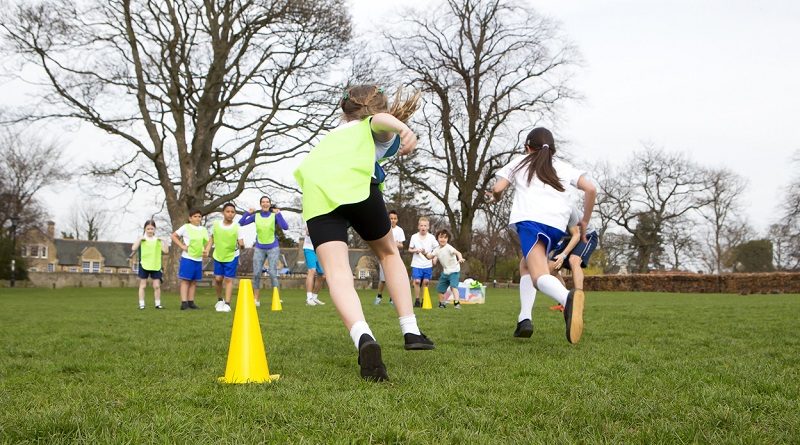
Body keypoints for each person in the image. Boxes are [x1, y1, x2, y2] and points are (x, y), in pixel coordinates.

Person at [294, 84, 435, 382]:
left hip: (317, 195)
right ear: (378, 108)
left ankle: (363, 337)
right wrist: (402, 127)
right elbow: (378, 123)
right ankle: (410, 330)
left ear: (344, 109)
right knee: (388, 252)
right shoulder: (369, 127)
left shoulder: (331, 136)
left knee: (337, 272)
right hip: (358, 189)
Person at [487, 127, 596, 344]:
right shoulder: (564, 167)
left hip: (531, 223)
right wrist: (584, 219)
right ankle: (524, 319)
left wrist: (495, 197)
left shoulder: (520, 162)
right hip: (556, 227)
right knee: (525, 264)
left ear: (528, 147)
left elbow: (498, 188)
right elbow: (591, 189)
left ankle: (568, 300)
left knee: (538, 277)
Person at [239, 196, 289, 307]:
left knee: (272, 272)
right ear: (260, 204)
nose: (265, 204)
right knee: (256, 273)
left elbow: (285, 227)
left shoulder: (274, 216)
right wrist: (248, 213)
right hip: (259, 248)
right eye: (263, 202)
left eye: (267, 202)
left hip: (273, 248)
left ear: (270, 204)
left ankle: (277, 297)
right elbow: (241, 223)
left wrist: (278, 214)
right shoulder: (256, 216)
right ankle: (256, 299)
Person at [550, 205, 599, 305]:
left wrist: (563, 255)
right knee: (550, 268)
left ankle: (578, 300)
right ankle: (564, 300)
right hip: (568, 238)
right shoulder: (546, 215)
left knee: (574, 260)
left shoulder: (568, 209)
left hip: (586, 235)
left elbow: (576, 236)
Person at [204, 203, 245, 313]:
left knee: (228, 279)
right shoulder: (216, 224)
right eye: (228, 211)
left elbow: (241, 241)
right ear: (223, 212)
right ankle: (220, 300)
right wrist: (207, 250)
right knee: (218, 279)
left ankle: (227, 304)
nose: (230, 214)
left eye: (232, 212)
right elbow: (211, 239)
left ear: (235, 214)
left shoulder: (237, 227)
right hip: (218, 255)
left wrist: (241, 245)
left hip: (232, 256)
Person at [170, 209, 209, 310]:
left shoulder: (203, 229)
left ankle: (191, 302)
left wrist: (206, 251)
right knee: (186, 280)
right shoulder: (186, 227)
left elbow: (208, 242)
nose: (197, 218)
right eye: (195, 216)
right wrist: (182, 246)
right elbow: (174, 236)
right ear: (190, 218)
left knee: (194, 281)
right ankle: (184, 302)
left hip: (198, 258)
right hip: (188, 258)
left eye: (199, 216)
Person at [131, 219, 169, 309]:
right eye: (148, 229)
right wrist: (139, 239)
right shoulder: (142, 239)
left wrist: (165, 241)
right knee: (143, 285)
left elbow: (166, 251)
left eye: (152, 229)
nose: (150, 231)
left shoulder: (157, 240)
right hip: (144, 264)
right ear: (145, 229)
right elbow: (133, 248)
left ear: (154, 229)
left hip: (155, 265)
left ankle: (158, 304)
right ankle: (141, 304)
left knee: (156, 286)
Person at [425, 229, 465, 309]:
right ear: (437, 239)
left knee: (453, 286)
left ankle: (456, 303)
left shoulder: (449, 248)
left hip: (454, 271)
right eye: (441, 237)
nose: (443, 239)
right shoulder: (437, 249)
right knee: (440, 289)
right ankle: (442, 304)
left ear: (447, 239)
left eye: (445, 238)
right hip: (445, 272)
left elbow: (458, 253)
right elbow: (429, 257)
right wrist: (424, 253)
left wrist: (460, 258)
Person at [374, 210, 405, 305]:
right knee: (383, 280)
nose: (393, 220)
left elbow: (401, 245)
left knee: (394, 279)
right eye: (391, 218)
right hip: (384, 256)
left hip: (395, 258)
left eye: (395, 218)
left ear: (397, 219)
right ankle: (379, 296)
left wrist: (396, 244)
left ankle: (392, 298)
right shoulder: (383, 229)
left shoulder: (399, 230)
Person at [408, 216, 438, 307]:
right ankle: (417, 300)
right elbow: (410, 249)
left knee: (426, 282)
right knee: (417, 281)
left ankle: (425, 300)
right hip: (417, 264)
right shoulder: (414, 237)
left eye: (425, 226)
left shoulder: (431, 237)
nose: (423, 227)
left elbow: (437, 249)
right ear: (418, 226)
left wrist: (434, 258)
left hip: (427, 264)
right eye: (421, 225)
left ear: (428, 227)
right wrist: (415, 250)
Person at [303, 225, 326, 306]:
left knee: (322, 275)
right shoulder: (310, 217)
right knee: (312, 270)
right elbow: (308, 232)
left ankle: (314, 297)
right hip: (309, 249)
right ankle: (308, 298)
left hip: (320, 249)